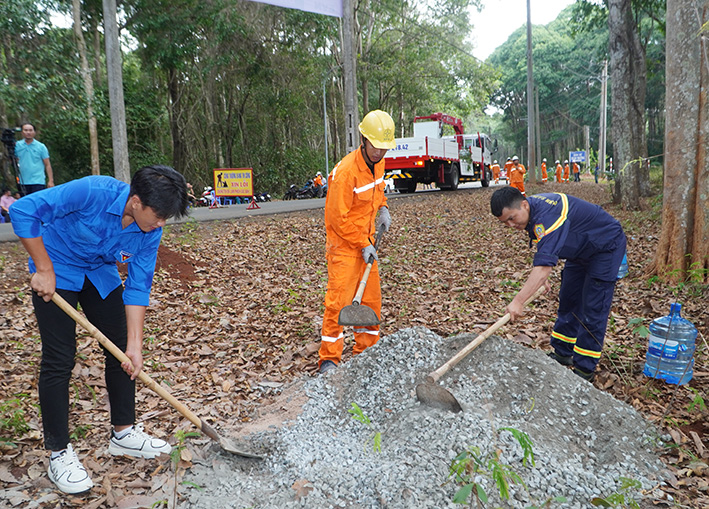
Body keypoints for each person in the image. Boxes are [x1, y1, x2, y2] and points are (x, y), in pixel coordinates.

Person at [9, 166, 189, 495]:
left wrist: (135, 346)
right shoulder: (92, 192)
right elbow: (23, 209)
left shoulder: (150, 229)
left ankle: (123, 434)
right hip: (58, 266)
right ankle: (59, 452)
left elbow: (138, 285)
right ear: (135, 201)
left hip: (98, 272)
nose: (161, 223)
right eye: (159, 215)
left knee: (120, 347)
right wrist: (43, 268)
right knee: (59, 358)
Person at [490, 186, 626, 382]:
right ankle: (563, 353)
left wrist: (519, 301)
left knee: (593, 307)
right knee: (569, 298)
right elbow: (547, 251)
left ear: (524, 204)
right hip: (580, 251)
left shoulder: (548, 214)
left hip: (604, 248)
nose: (511, 225)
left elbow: (543, 267)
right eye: (505, 223)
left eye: (512, 218)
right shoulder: (533, 212)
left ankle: (584, 369)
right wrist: (540, 281)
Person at [319, 110, 394, 374]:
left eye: (384, 147)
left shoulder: (380, 163)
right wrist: (362, 243)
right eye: (376, 145)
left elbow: (377, 193)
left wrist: (382, 209)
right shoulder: (346, 172)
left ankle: (367, 355)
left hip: (367, 244)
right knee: (338, 304)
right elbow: (336, 218)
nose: (379, 152)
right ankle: (330, 359)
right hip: (345, 247)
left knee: (371, 303)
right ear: (363, 139)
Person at [15, 123, 54, 196]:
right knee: (25, 204)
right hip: (23, 181)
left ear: (34, 132)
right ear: (22, 132)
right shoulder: (17, 145)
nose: (28, 132)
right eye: (26, 130)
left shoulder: (41, 147)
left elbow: (47, 164)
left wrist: (50, 180)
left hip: (38, 181)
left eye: (30, 130)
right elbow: (13, 160)